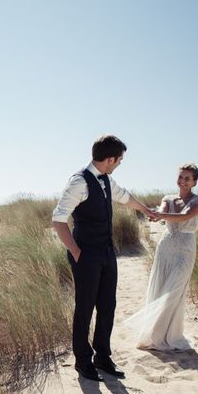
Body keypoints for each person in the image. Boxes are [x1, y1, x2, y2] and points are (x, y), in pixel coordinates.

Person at [52, 135, 156, 381]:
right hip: (86, 255)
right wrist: (77, 253)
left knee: (108, 305)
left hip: (108, 252)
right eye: (119, 160)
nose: (119, 163)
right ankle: (82, 361)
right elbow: (58, 220)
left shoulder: (108, 180)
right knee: (85, 307)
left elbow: (124, 196)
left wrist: (146, 210)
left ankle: (102, 357)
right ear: (110, 159)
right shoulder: (78, 182)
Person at [124, 163, 198, 351]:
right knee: (160, 287)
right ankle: (154, 335)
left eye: (187, 178)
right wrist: (154, 214)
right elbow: (161, 211)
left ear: (194, 182)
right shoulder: (168, 198)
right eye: (181, 177)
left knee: (175, 290)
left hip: (186, 247)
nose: (183, 181)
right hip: (166, 246)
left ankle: (171, 335)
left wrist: (161, 215)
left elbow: (185, 216)